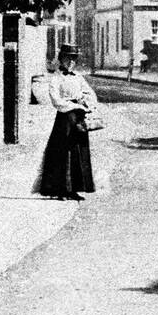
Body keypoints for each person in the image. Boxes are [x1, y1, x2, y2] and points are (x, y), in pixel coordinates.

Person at [34, 43, 99, 201]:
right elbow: (56, 100)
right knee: (62, 152)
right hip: (64, 120)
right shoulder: (56, 78)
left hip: (79, 118)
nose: (71, 62)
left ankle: (74, 190)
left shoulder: (78, 77)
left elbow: (90, 94)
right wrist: (75, 105)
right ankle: (60, 190)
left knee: (78, 152)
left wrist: (87, 102)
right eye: (68, 58)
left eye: (74, 59)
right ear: (61, 59)